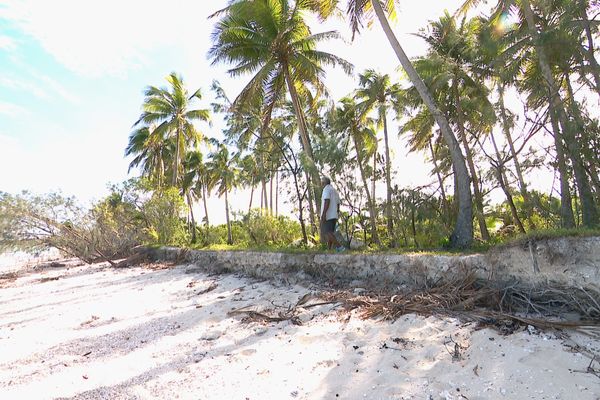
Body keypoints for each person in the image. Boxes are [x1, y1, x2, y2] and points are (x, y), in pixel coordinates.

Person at [320, 176, 345, 251]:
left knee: (327, 232)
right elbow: (338, 204)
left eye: (322, 182)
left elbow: (327, 201)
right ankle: (329, 249)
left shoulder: (326, 189)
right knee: (330, 232)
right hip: (334, 215)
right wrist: (336, 213)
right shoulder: (334, 191)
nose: (321, 183)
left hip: (328, 214)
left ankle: (340, 247)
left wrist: (324, 214)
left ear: (324, 183)